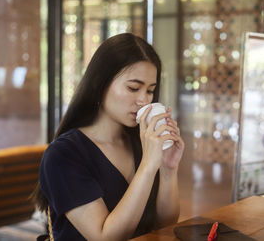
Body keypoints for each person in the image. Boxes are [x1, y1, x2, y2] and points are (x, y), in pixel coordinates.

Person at [33, 33, 184, 240]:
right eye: (133, 88)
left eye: (150, 90)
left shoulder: (140, 143)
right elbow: (105, 237)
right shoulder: (64, 154)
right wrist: (148, 167)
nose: (143, 100)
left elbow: (164, 226)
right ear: (100, 84)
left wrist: (168, 169)